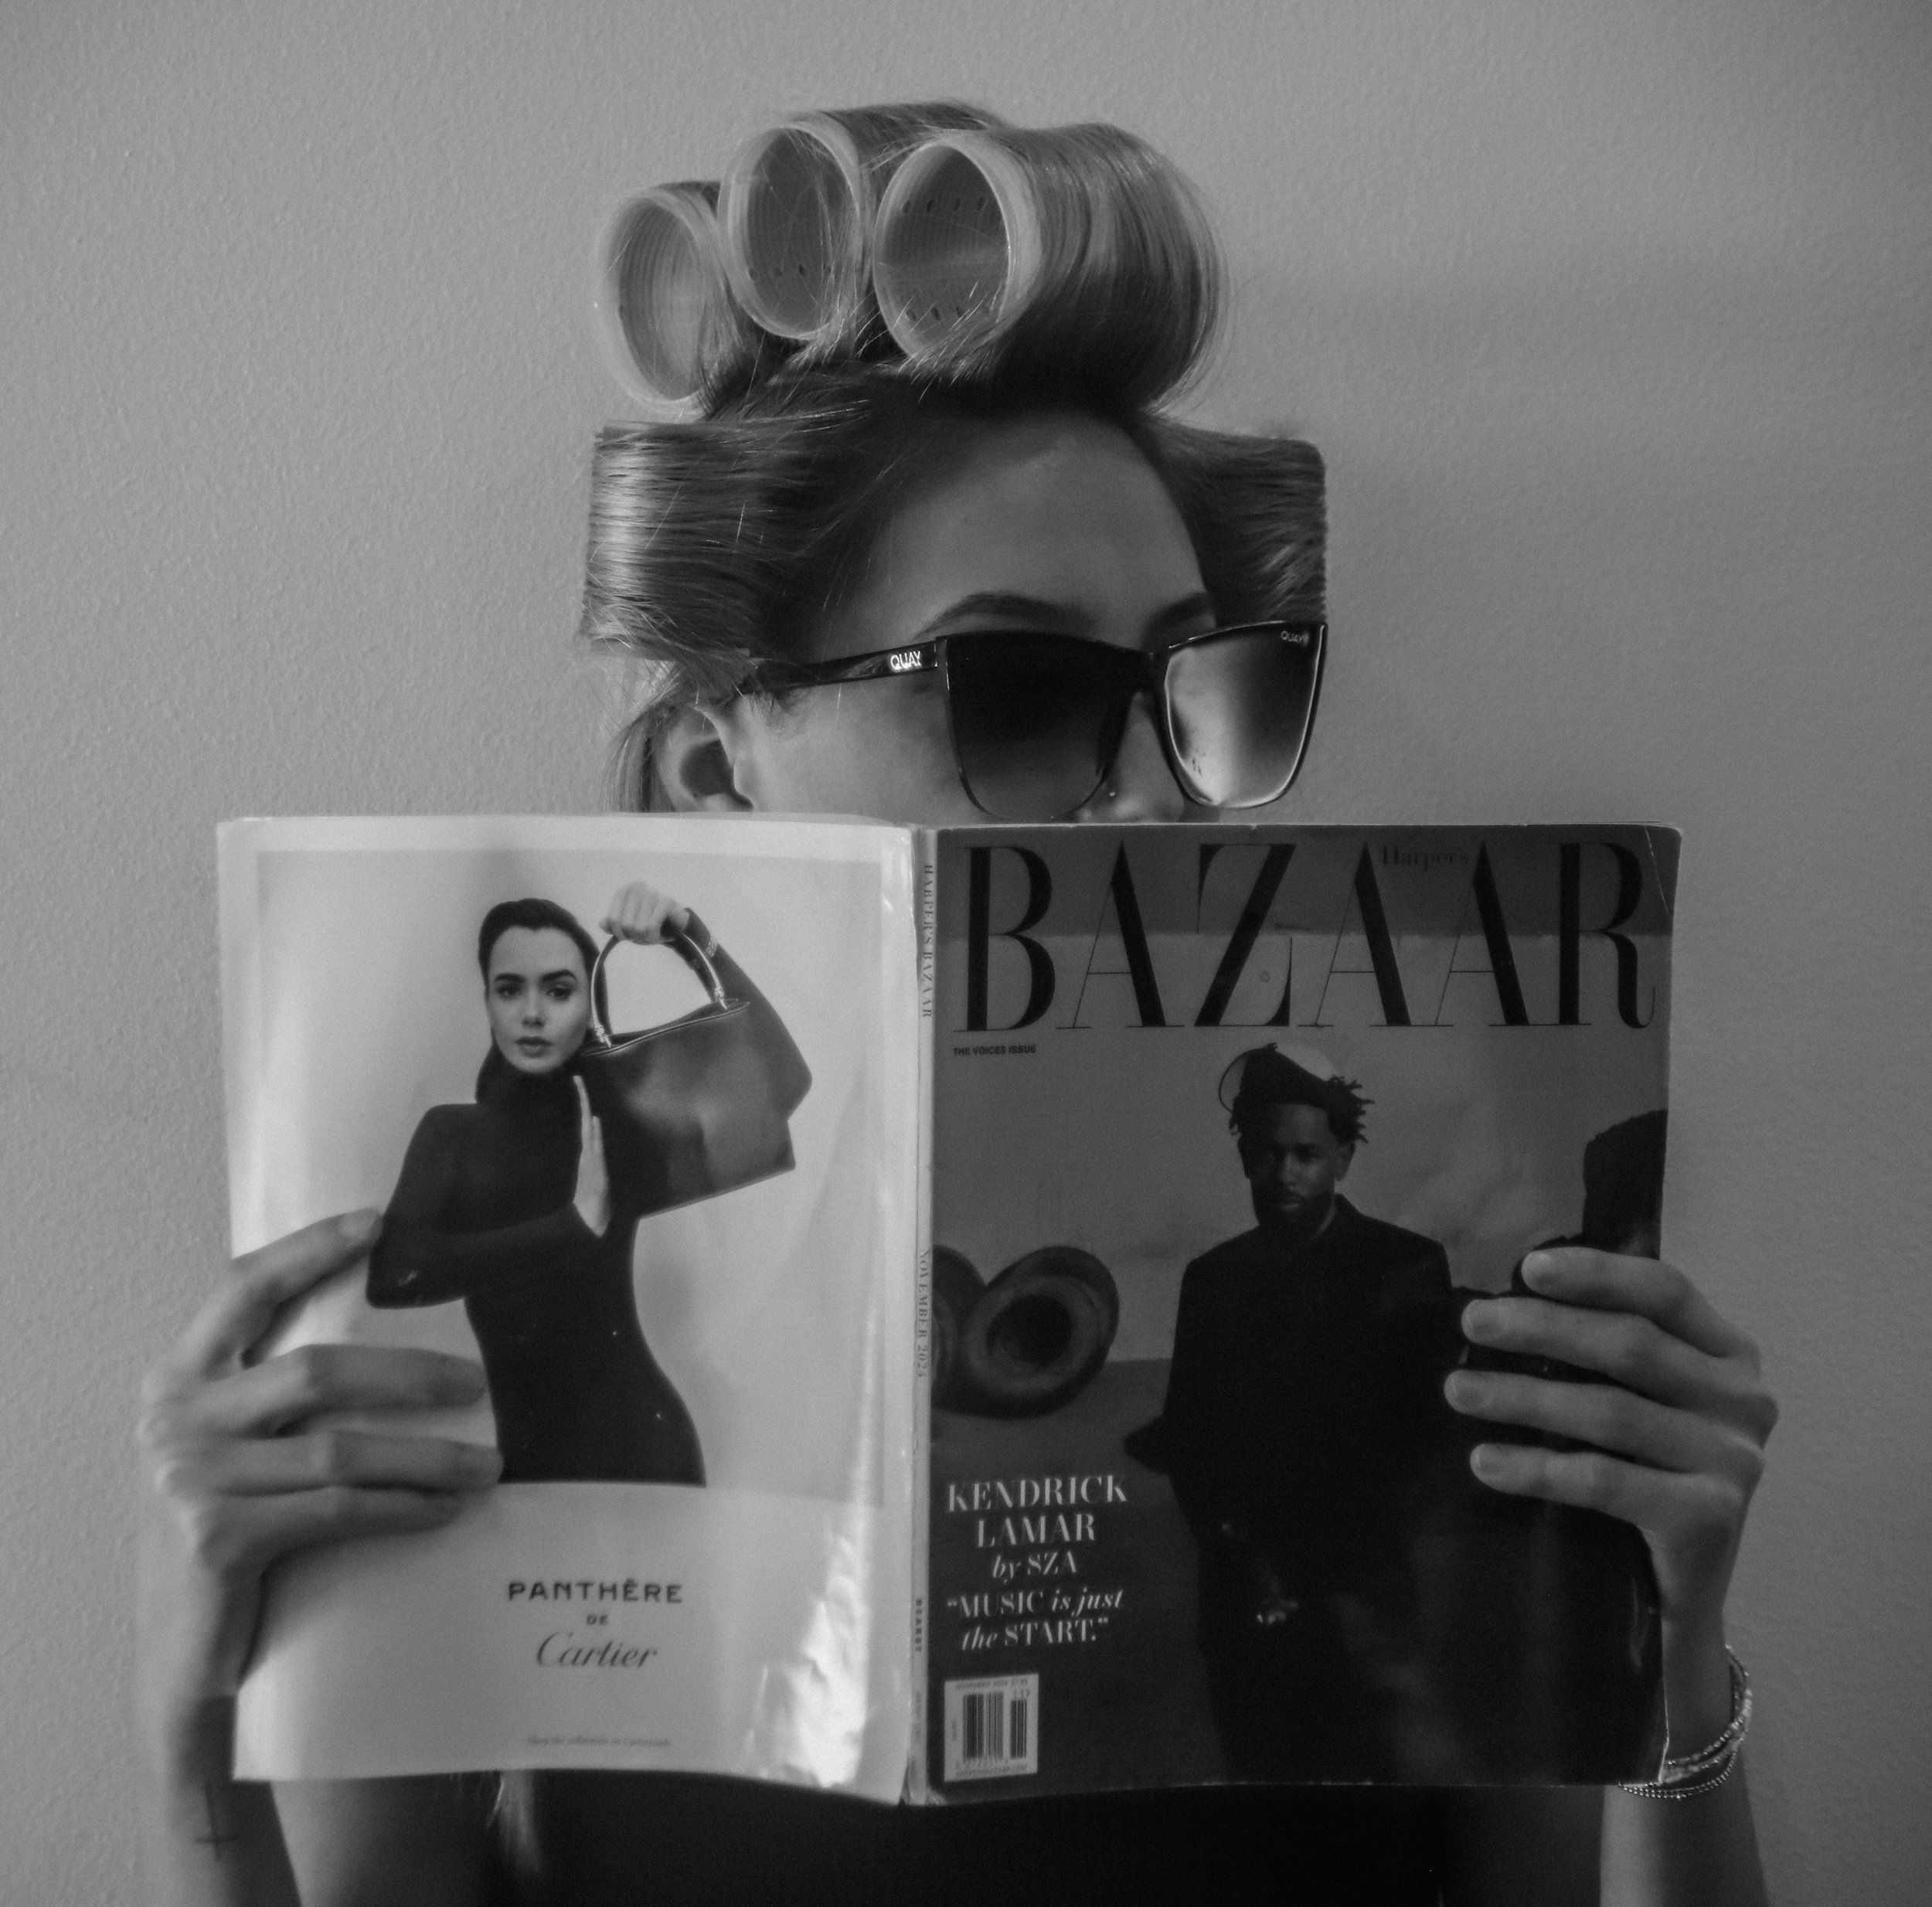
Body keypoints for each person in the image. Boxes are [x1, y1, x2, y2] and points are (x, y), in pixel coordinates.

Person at [137, 103, 1777, 1906]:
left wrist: (1673, 1653)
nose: (1149, 796)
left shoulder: (1395, 1288)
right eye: (1016, 686)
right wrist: (203, 1742)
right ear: (712, 769)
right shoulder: (529, 1236)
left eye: (1198, 688)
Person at [363, 886, 801, 1485]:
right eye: (510, 989)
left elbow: (783, 1080)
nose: (533, 1013)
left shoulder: (619, 1119)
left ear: (589, 1004)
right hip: (524, 1464)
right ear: (487, 1000)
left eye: (559, 991)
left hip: (648, 1453)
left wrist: (689, 936)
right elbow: (394, 1275)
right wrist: (571, 1226)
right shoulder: (452, 1135)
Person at [1162, 1044, 1463, 1783]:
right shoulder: (1212, 1280)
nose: (1285, 1174)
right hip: (1244, 1602)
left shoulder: (1407, 1266)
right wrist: (1242, 1557)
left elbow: (1423, 1444)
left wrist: (1335, 1574)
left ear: (1344, 1160)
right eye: (1267, 1153)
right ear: (1244, 1157)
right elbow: (1189, 1440)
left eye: (1306, 1155)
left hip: (1363, 1598)